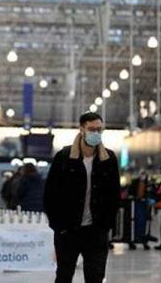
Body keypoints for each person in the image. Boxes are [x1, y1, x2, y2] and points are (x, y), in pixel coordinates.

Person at [44, 112, 120, 283]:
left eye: (100, 130)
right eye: (92, 129)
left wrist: (106, 225)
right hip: (68, 231)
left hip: (96, 231)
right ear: (82, 129)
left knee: (95, 277)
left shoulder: (108, 159)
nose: (96, 134)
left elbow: (114, 195)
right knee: (64, 275)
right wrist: (58, 226)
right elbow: (50, 194)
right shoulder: (64, 157)